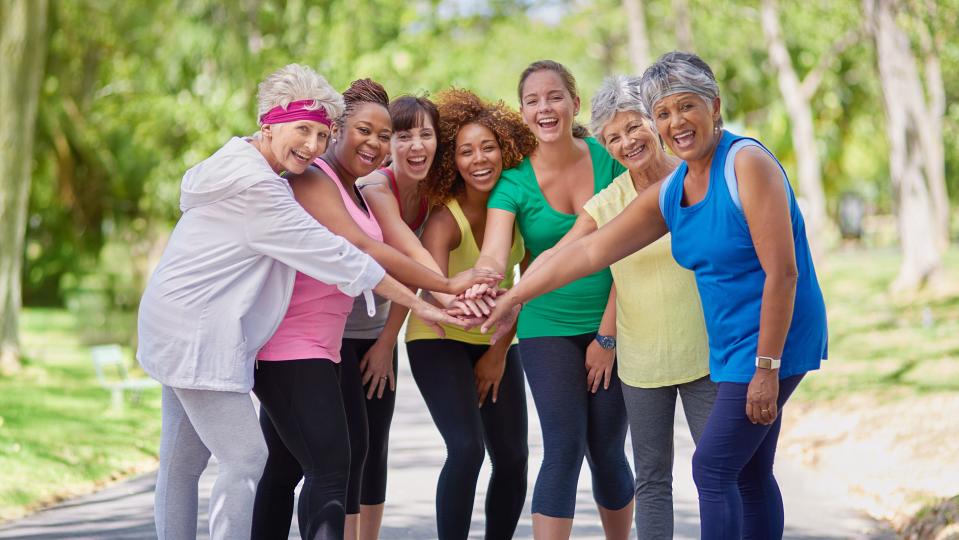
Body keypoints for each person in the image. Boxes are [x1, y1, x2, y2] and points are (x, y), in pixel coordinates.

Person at [480, 52, 828, 540]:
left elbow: (784, 274)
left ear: (714, 105)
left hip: (774, 340)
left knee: (712, 469)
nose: (676, 122)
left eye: (686, 107)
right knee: (746, 471)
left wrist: (767, 368)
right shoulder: (675, 188)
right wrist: (510, 299)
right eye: (664, 112)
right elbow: (588, 252)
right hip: (730, 344)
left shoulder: (745, 162)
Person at [136, 64, 454, 540]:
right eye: (302, 129)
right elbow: (343, 256)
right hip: (196, 332)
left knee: (183, 462)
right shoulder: (262, 189)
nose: (312, 144)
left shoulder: (247, 162)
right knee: (246, 458)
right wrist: (428, 304)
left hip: (180, 323)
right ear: (269, 123)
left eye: (322, 134)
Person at [251, 79, 497, 540]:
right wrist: (442, 291)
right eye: (367, 131)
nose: (377, 143)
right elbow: (364, 249)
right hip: (292, 343)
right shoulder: (313, 178)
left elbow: (391, 256)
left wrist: (438, 299)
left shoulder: (353, 188)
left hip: (321, 342)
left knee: (291, 467)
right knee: (328, 469)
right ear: (337, 130)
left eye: (385, 136)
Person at [522, 74, 716, 538]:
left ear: (655, 121)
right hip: (643, 360)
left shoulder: (699, 178)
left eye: (634, 127)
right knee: (651, 479)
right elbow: (565, 253)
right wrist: (508, 298)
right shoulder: (609, 201)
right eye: (613, 137)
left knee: (717, 470)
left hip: (707, 353)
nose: (627, 142)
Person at [471, 60, 634, 539]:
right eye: (533, 100)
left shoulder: (612, 158)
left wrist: (607, 336)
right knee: (563, 447)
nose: (545, 107)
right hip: (546, 326)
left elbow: (633, 250)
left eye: (555, 96)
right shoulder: (514, 181)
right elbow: (493, 257)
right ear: (523, 113)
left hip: (617, 318)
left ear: (574, 103)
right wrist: (481, 284)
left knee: (607, 450)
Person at [405, 88, 536, 539]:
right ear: (451, 161)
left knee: (514, 458)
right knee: (465, 449)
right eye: (465, 151)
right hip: (438, 337)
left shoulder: (518, 209)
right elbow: (433, 285)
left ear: (506, 150)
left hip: (495, 339)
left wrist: (498, 352)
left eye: (488, 147)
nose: (479, 159)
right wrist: (461, 310)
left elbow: (526, 287)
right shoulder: (445, 218)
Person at [339, 94, 443, 540]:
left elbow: (410, 278)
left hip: (377, 330)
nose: (415, 146)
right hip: (337, 331)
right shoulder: (376, 186)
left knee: (375, 446)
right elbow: (405, 253)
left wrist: (386, 342)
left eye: (426, 134)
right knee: (351, 447)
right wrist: (451, 289)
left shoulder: (435, 192)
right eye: (403, 136)